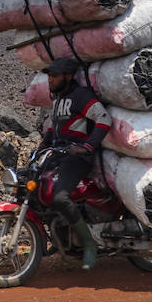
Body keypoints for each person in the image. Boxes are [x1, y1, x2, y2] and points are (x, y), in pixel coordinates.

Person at [40, 58, 111, 270]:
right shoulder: (58, 99)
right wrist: (41, 147)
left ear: (68, 77)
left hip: (77, 157)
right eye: (49, 75)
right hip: (58, 154)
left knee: (60, 197)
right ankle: (59, 238)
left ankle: (90, 244)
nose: (50, 80)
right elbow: (53, 129)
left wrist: (88, 147)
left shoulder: (81, 96)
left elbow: (104, 119)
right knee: (37, 192)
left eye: (54, 76)